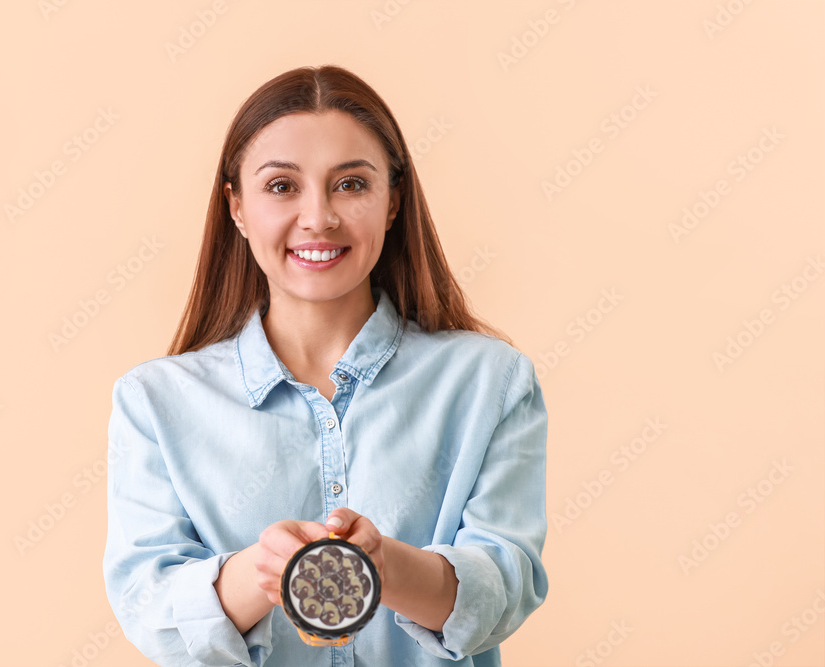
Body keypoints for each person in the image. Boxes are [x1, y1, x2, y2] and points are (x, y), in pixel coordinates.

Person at [102, 64, 549, 667]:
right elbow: (149, 611)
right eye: (282, 186)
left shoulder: (490, 383)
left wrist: (384, 567)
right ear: (236, 206)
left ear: (393, 202)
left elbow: (504, 590)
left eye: (351, 184)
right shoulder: (155, 402)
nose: (318, 218)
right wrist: (264, 571)